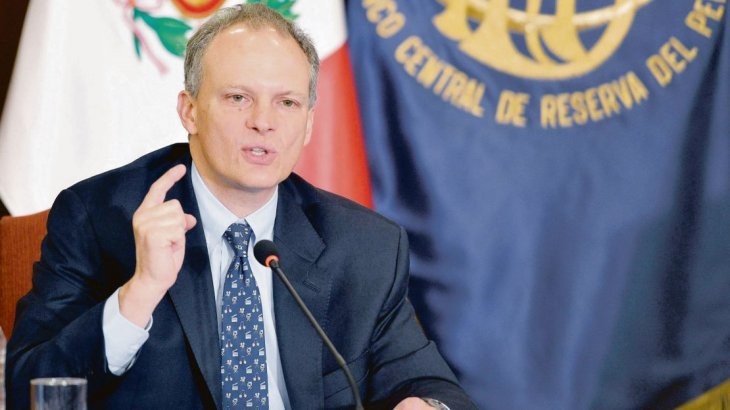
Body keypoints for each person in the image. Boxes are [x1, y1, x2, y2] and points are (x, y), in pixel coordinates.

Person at [6, 4, 476, 409]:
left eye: (287, 103)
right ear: (189, 110)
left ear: (309, 125)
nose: (263, 122)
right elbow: (33, 388)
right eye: (238, 98)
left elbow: (432, 386)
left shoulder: (363, 245)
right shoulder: (99, 218)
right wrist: (139, 292)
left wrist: (425, 404)